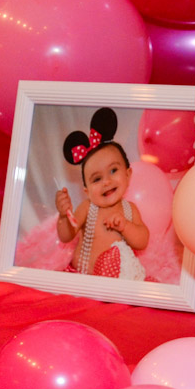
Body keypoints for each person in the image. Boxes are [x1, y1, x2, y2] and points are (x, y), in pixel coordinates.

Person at [56, 108, 149, 280]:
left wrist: (125, 226)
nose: (106, 182)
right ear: (87, 191)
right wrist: (63, 216)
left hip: (117, 282)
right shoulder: (87, 207)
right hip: (83, 278)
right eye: (97, 179)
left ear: (128, 175)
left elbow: (142, 241)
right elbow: (66, 236)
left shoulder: (130, 209)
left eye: (113, 170)